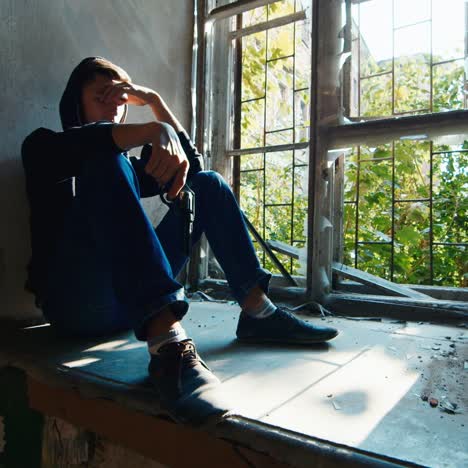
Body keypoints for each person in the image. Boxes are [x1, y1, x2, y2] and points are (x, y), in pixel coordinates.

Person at [21, 57, 338, 425]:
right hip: (75, 306)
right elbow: (89, 144)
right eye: (101, 95)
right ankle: (169, 348)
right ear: (76, 104)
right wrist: (151, 131)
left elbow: (192, 170)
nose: (113, 104)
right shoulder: (42, 148)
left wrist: (155, 103)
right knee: (101, 159)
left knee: (208, 186)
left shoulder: (125, 166)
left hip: (126, 306)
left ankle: (258, 312)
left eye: (120, 97)